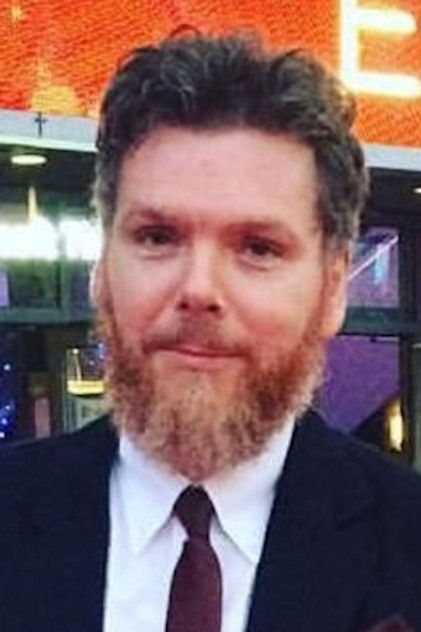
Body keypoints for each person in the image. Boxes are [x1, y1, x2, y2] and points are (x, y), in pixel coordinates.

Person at [0, 32, 420, 632]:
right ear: (101, 271)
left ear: (333, 289)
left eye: (258, 248)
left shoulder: (406, 547)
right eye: (157, 237)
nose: (198, 289)